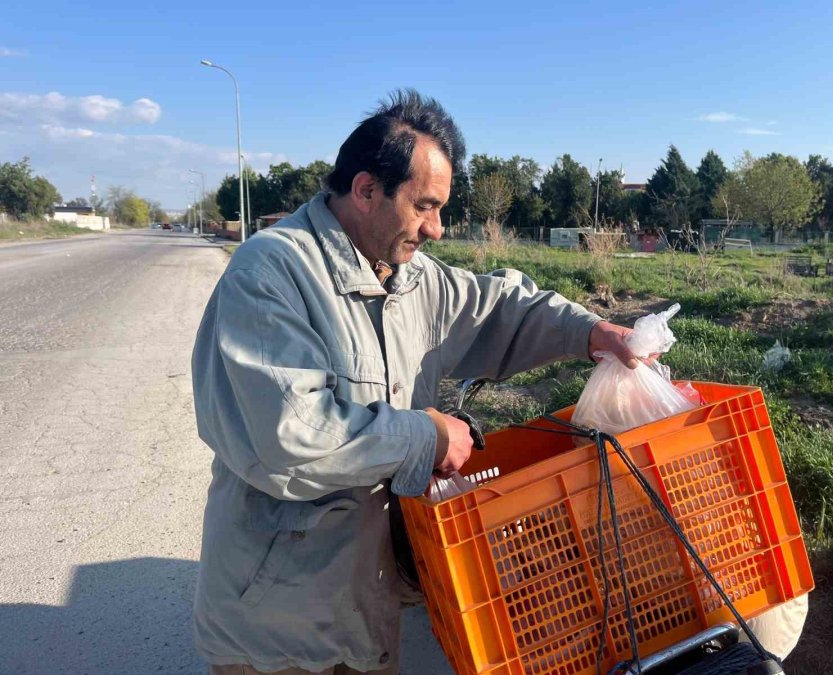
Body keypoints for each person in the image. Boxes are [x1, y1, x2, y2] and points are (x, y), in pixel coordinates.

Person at [191, 89, 638, 675]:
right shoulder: (271, 273)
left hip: (365, 602)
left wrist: (593, 332)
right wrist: (423, 437)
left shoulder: (406, 274)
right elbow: (289, 433)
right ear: (366, 189)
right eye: (425, 206)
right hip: (283, 621)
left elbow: (498, 308)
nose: (437, 229)